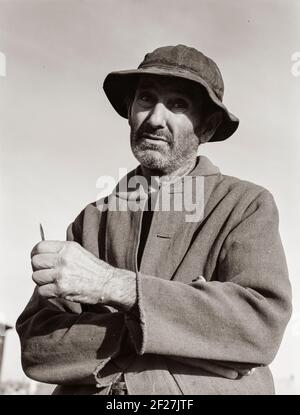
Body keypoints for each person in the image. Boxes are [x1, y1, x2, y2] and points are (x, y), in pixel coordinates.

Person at [16, 44, 292, 395]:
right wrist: (187, 335)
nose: (155, 119)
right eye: (145, 99)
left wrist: (112, 286)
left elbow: (259, 327)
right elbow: (38, 349)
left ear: (206, 127)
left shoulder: (246, 205)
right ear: (130, 111)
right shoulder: (91, 220)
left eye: (178, 104)